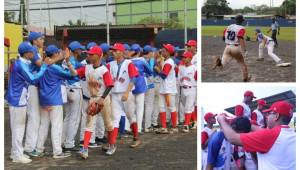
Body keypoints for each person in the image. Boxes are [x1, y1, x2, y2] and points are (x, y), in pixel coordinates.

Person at [217, 101, 295, 170]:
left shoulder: (270, 135)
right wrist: (247, 123)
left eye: (269, 113)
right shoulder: (293, 134)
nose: (267, 116)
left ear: (276, 116)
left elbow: (232, 138)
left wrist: (221, 120)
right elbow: (264, 132)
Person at [68, 46, 115, 159]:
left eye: (91, 54)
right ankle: (85, 149)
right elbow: (74, 73)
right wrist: (68, 63)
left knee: (108, 122)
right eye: (88, 54)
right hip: (93, 98)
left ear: (99, 56)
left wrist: (102, 98)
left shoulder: (104, 70)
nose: (88, 55)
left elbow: (110, 85)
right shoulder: (87, 68)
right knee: (89, 123)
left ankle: (112, 145)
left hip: (104, 98)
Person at [6, 42, 49, 163]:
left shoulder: (23, 62)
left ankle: (16, 153)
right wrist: (44, 66)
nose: (34, 54)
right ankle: (17, 156)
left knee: (18, 127)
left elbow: (31, 68)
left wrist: (40, 66)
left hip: (18, 98)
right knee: (18, 128)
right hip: (17, 99)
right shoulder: (21, 65)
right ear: (27, 53)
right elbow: (33, 79)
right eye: (32, 52)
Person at [36, 45, 76, 159]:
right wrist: (68, 62)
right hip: (54, 100)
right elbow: (73, 75)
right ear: (54, 54)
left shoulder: (42, 66)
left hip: (43, 100)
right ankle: (57, 151)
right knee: (56, 126)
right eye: (58, 52)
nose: (60, 53)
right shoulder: (55, 68)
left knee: (43, 125)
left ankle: (39, 149)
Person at [108, 43, 140, 154]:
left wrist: (127, 92)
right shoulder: (110, 64)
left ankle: (136, 137)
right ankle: (112, 144)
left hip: (127, 93)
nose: (114, 52)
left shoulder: (128, 63)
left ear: (121, 52)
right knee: (114, 119)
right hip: (115, 94)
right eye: (113, 50)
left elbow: (133, 79)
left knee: (131, 116)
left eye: (116, 50)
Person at [62, 41, 85, 152]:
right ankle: (69, 144)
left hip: (66, 90)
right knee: (74, 119)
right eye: (80, 49)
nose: (81, 50)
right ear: (75, 50)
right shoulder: (73, 61)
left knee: (67, 117)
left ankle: (63, 142)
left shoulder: (64, 61)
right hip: (75, 90)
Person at [213, 15, 251, 82]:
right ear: (242, 21)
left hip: (227, 47)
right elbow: (240, 38)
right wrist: (244, 50)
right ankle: (246, 78)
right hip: (236, 48)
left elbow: (223, 37)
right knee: (242, 64)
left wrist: (228, 41)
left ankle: (219, 63)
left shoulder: (229, 26)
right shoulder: (242, 28)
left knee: (222, 65)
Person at [155, 44, 178, 134]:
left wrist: (158, 70)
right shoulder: (166, 61)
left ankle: (174, 127)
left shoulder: (169, 62)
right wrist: (159, 65)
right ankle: (164, 127)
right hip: (164, 88)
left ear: (168, 52)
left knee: (171, 107)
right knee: (161, 107)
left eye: (164, 51)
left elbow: (164, 75)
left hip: (168, 89)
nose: (162, 52)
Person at [178, 51, 197, 133]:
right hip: (183, 89)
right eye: (183, 57)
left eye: (185, 57)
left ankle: (186, 125)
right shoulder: (181, 68)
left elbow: (197, 79)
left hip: (191, 89)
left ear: (190, 58)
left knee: (188, 107)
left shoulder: (194, 68)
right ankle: (194, 121)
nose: (183, 58)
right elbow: (179, 78)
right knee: (188, 106)